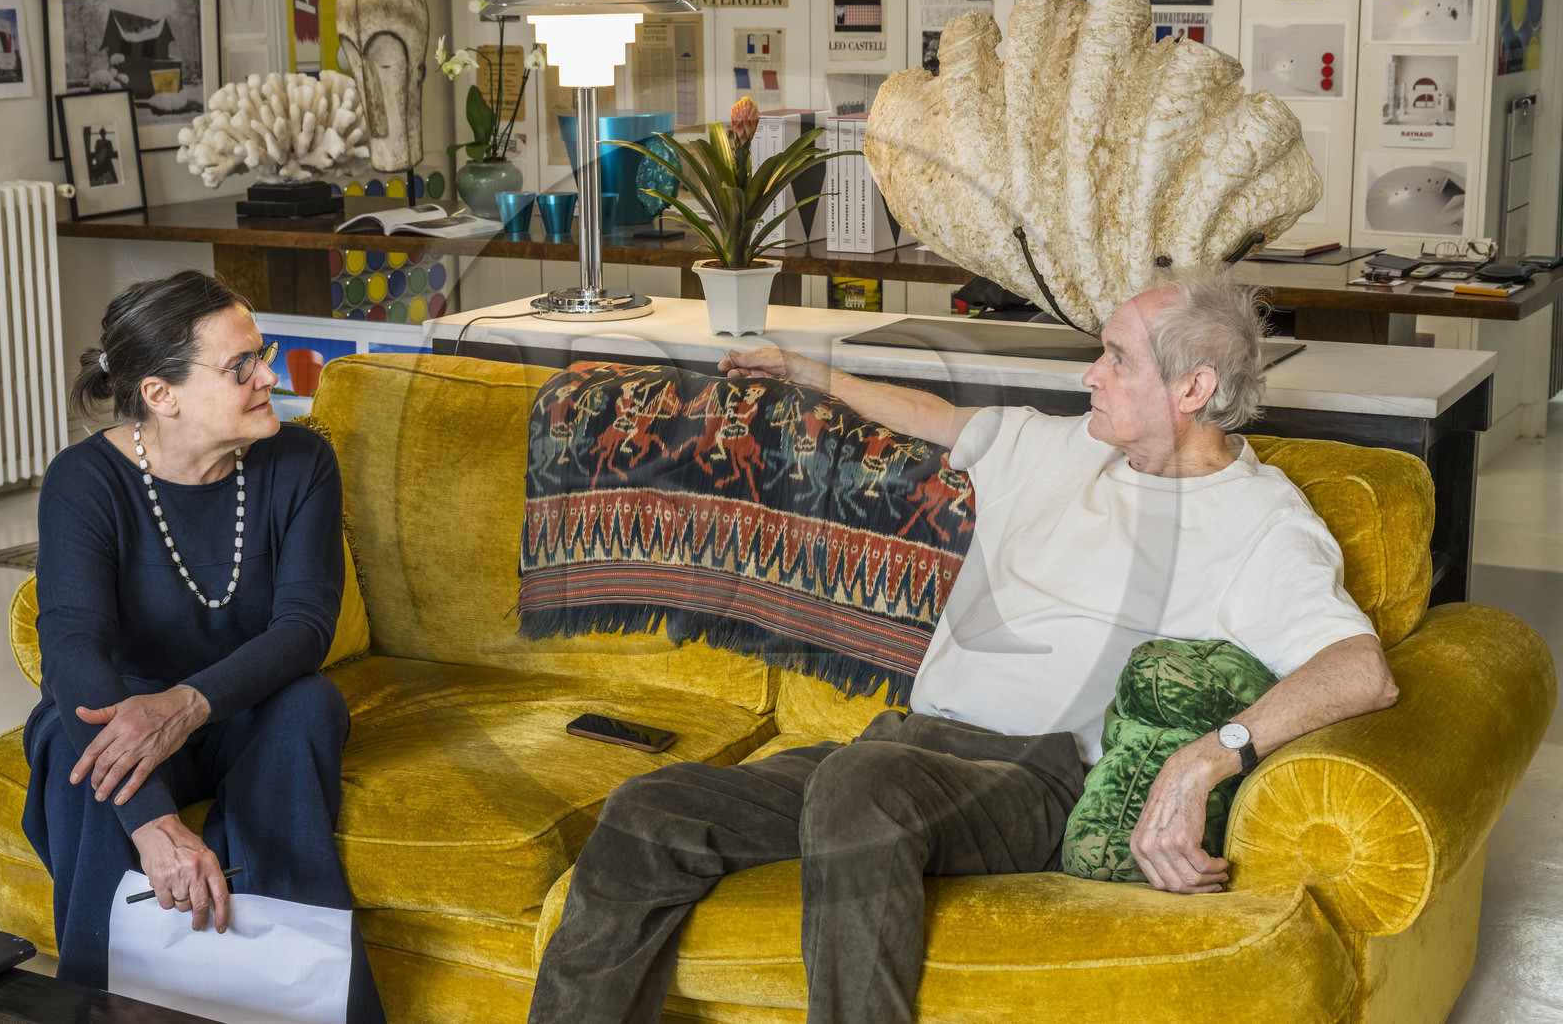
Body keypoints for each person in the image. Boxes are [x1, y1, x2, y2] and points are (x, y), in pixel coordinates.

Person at [526, 270, 1399, 1024]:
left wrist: (1211, 755)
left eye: (1117, 358)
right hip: (901, 746)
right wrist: (806, 371)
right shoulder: (1060, 445)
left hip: (1033, 775)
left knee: (863, 790)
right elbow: (939, 416)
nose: (1091, 374)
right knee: (650, 809)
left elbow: (1361, 670)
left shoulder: (1260, 520)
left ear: (1194, 388)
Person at [22, 270, 386, 1022]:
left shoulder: (300, 462)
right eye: (240, 365)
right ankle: (100, 1001)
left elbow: (305, 628)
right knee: (72, 740)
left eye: (263, 353)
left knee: (311, 704)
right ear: (161, 394)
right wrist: (155, 825)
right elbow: (73, 643)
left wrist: (188, 704)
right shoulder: (84, 481)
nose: (269, 376)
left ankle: (305, 1003)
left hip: (245, 707)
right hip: (124, 715)